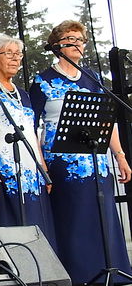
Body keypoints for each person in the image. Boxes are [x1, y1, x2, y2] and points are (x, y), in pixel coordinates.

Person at [30, 20, 132, 284]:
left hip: (97, 160)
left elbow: (105, 121)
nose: (77, 44)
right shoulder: (42, 81)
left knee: (104, 213)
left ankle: (112, 272)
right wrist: (41, 164)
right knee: (74, 216)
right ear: (57, 45)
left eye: (80, 39)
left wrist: (120, 156)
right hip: (62, 162)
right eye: (71, 38)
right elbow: (31, 125)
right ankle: (79, 274)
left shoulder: (91, 77)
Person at [0, 34, 56, 244]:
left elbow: (32, 131)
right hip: (4, 169)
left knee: (38, 226)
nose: (16, 59)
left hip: (31, 170)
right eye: (9, 53)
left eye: (18, 54)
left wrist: (43, 167)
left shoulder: (24, 94)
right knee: (13, 228)